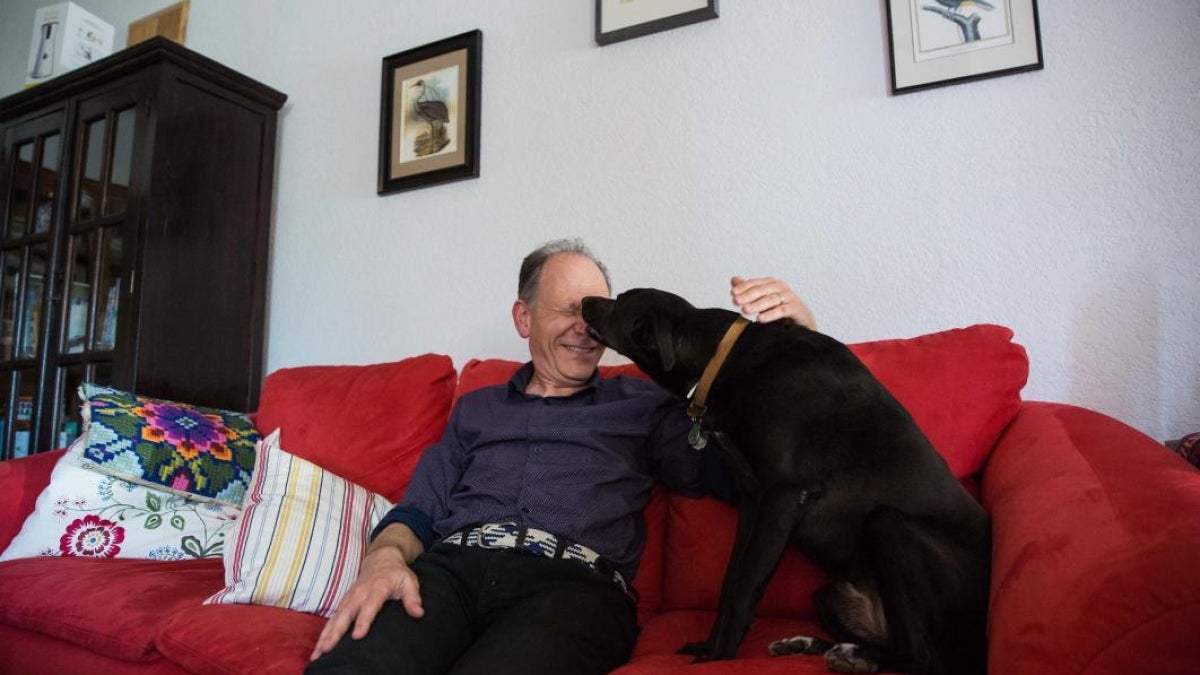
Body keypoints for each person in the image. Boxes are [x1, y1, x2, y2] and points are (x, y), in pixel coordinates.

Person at [307, 239, 816, 675]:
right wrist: (383, 561)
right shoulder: (475, 409)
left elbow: (752, 470)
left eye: (596, 310)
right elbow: (419, 508)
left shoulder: (644, 405)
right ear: (524, 317)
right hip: (450, 574)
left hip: (573, 590)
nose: (587, 326)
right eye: (569, 309)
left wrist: (800, 345)